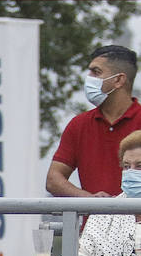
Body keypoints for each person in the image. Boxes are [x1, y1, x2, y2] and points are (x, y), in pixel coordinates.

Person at [47, 45, 141, 199]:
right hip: (93, 216)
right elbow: (53, 180)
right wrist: (90, 199)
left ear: (118, 80)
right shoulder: (79, 124)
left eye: (96, 72)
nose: (88, 78)